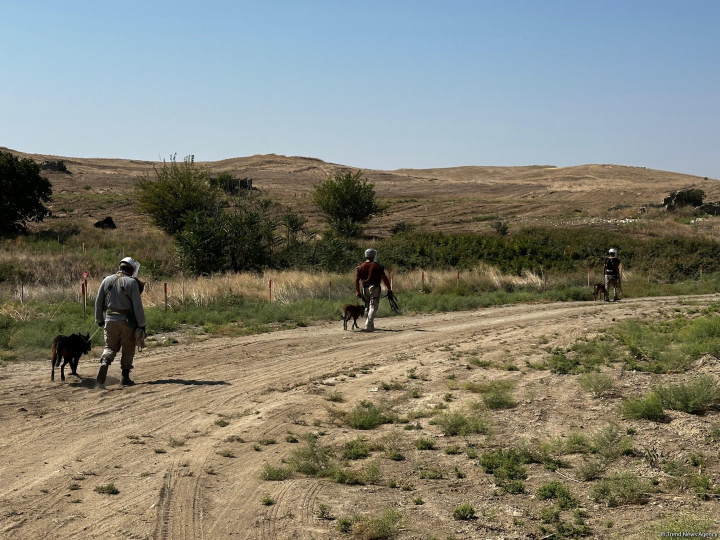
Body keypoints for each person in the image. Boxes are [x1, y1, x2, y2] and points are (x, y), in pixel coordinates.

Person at [95, 256, 146, 386]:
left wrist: (99, 319)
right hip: (127, 322)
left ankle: (105, 362)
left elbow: (98, 301)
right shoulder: (132, 283)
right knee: (128, 349)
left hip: (110, 319)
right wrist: (142, 324)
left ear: (120, 267)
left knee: (110, 347)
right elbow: (137, 306)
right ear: (132, 270)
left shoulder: (107, 280)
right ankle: (125, 377)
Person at [355, 248, 392, 331]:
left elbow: (357, 280)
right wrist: (389, 289)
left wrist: (357, 291)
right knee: (373, 307)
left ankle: (370, 324)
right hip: (374, 288)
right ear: (373, 255)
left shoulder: (361, 266)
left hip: (364, 288)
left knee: (367, 306)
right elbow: (384, 278)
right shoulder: (377, 266)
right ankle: (368, 325)